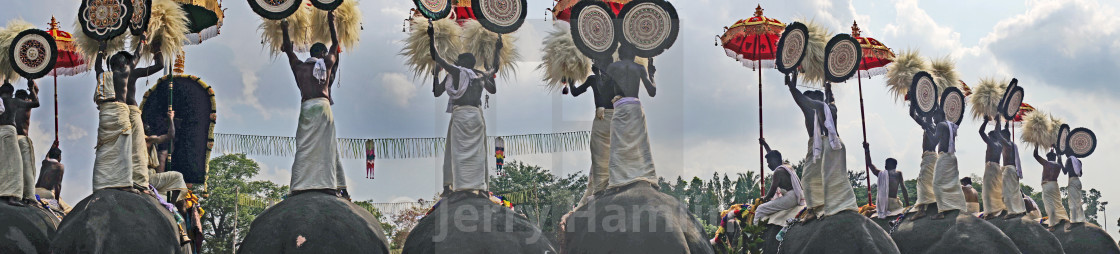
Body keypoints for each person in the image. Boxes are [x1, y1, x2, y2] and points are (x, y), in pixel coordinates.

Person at [428, 20, 500, 194]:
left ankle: (451, 187)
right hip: (476, 116)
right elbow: (494, 86)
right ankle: (481, 188)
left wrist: (431, 37)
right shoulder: (481, 75)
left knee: (456, 153)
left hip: (460, 115)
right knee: (479, 153)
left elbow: (436, 87)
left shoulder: (456, 72)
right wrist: (498, 48)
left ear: (460, 63)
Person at [282, 11, 349, 197]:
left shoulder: (299, 67)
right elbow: (336, 45)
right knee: (327, 147)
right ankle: (328, 185)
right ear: (321, 53)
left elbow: (288, 49)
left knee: (303, 147)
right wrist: (331, 22)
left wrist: (284, 28)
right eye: (324, 52)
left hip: (306, 108)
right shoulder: (326, 63)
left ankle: (298, 186)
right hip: (322, 107)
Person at [784, 72, 856, 220]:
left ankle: (813, 209)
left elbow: (800, 99)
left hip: (822, 144)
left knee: (808, 178)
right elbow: (831, 98)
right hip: (838, 144)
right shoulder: (832, 107)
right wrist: (828, 88)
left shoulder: (816, 106)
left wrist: (792, 85)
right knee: (836, 176)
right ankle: (842, 203)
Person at [110, 34, 165, 191]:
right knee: (138, 147)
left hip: (116, 114)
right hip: (132, 113)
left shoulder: (108, 76)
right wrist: (155, 49)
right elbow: (160, 65)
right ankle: (139, 180)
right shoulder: (131, 72)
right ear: (127, 63)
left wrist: (100, 49)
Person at [603, 44, 658, 190]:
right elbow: (652, 92)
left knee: (617, 145)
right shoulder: (639, 68)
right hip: (635, 107)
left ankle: (617, 181)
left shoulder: (613, 67)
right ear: (634, 56)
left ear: (619, 55)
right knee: (641, 145)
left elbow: (603, 89)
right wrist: (651, 73)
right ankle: (649, 177)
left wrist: (599, 70)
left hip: (620, 108)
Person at [91, 42, 138, 193]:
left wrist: (100, 51)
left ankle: (100, 184)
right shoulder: (124, 74)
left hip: (105, 115)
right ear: (124, 65)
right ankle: (125, 183)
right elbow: (136, 58)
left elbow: (97, 67)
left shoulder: (102, 75)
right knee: (124, 148)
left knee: (103, 150)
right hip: (119, 113)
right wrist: (142, 41)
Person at [571, 61, 618, 206]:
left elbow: (575, 92)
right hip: (617, 119)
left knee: (599, 158)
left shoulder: (593, 79)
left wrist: (569, 79)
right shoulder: (615, 78)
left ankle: (599, 190)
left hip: (602, 120)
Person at [755, 138, 805, 225]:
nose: (768, 165)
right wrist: (765, 144)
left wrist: (764, 199)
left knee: (760, 209)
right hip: (796, 195)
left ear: (773, 161)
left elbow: (772, 191)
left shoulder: (778, 172)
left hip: (790, 198)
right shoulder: (785, 166)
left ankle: (755, 235)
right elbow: (772, 154)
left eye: (768, 162)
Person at [929, 106, 966, 219]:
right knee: (953, 183)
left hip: (945, 157)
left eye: (934, 117)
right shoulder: (951, 125)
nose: (934, 120)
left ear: (939, 115)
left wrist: (927, 129)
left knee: (937, 184)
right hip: (952, 158)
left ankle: (942, 211)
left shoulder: (941, 125)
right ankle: (957, 206)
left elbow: (934, 142)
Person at [144, 111, 187, 202]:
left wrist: (171, 119)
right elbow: (170, 135)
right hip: (146, 176)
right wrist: (171, 119)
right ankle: (172, 205)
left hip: (148, 174)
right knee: (178, 176)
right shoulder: (147, 140)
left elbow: (170, 136)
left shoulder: (144, 139)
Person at [862, 142, 909, 219]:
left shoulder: (880, 173)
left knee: (869, 212)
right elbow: (904, 189)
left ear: (885, 166)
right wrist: (907, 205)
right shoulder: (898, 174)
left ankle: (875, 211)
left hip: (884, 204)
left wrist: (867, 150)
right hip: (894, 204)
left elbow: (869, 164)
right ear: (895, 166)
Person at [909, 106, 939, 220]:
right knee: (931, 181)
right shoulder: (936, 127)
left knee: (922, 181)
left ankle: (921, 210)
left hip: (929, 157)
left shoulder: (928, 125)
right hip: (933, 157)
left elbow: (912, 115)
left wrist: (913, 102)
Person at [13, 85, 40, 206]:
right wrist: (31, 84)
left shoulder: (9, 104)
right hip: (22, 139)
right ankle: (29, 195)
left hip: (9, 139)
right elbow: (36, 98)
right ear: (25, 97)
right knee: (27, 168)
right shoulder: (26, 104)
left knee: (11, 167)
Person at [0, 81, 25, 206]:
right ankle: (12, 197)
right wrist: (32, 89)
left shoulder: (0, 101)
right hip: (9, 131)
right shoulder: (14, 101)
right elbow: (36, 103)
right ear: (11, 93)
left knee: (2, 162)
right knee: (15, 164)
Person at [977, 117, 1006, 219]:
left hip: (990, 167)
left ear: (991, 137)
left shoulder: (991, 142)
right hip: (998, 168)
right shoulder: (1000, 144)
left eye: (989, 136)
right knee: (997, 190)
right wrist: (998, 121)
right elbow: (998, 131)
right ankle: (998, 209)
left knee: (988, 190)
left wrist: (985, 121)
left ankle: (990, 213)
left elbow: (980, 132)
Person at [1034, 148, 1069, 228]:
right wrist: (1057, 149)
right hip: (1055, 185)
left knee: (1049, 205)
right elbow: (1059, 158)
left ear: (1047, 157)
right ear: (1055, 157)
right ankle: (1063, 218)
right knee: (1058, 203)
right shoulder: (1058, 165)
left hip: (1047, 185)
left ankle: (1052, 225)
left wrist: (1036, 145)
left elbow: (1035, 155)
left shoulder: (1046, 163)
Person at [998, 125, 1026, 216]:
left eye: (1002, 136)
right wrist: (1006, 125)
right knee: (1015, 192)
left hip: (1009, 169)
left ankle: (1012, 211)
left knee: (1006, 192)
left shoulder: (1008, 144)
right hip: (1012, 170)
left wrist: (998, 121)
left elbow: (998, 134)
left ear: (1005, 137)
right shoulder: (1011, 144)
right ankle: (1020, 210)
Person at [35, 144, 69, 215]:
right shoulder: (60, 166)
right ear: (59, 157)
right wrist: (56, 201)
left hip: (35, 191)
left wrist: (52, 146)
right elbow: (58, 185)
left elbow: (47, 156)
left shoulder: (45, 162)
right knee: (69, 210)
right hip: (47, 194)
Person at [1064, 154, 1086, 224]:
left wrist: (1059, 160)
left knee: (1072, 202)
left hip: (1072, 181)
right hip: (1078, 182)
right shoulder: (1079, 161)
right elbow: (1081, 174)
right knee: (1078, 202)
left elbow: (1064, 172)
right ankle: (1081, 219)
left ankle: (1073, 221)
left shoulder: (1069, 159)